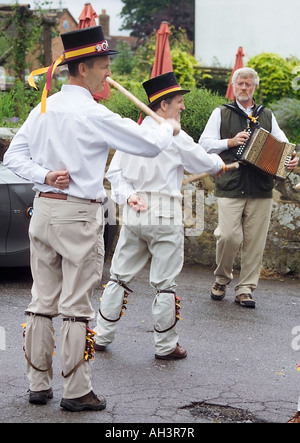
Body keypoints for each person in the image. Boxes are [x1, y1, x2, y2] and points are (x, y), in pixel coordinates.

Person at [3, 26, 180, 412]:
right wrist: (167, 129)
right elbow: (149, 145)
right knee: (76, 306)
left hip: (44, 211)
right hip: (78, 216)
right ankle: (76, 391)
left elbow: (13, 158)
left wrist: (44, 176)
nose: (107, 76)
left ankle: (38, 385)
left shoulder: (43, 107)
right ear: (82, 69)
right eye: (102, 67)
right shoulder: (92, 112)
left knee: (41, 301)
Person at [93, 72, 225, 359]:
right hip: (164, 213)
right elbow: (205, 162)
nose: (183, 107)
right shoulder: (175, 135)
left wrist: (129, 196)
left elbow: (115, 174)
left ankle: (101, 336)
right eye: (179, 102)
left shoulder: (134, 133)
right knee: (165, 284)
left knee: (118, 277)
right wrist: (218, 164)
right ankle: (165, 347)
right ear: (163, 105)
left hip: (135, 212)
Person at [199, 67, 299, 309]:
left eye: (248, 84)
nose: (243, 88)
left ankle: (245, 289)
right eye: (240, 84)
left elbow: (284, 145)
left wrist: (293, 158)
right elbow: (204, 144)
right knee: (228, 236)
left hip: (261, 186)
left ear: (255, 87)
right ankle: (222, 279)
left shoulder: (266, 114)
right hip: (231, 184)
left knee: (255, 241)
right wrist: (230, 142)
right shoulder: (221, 113)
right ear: (234, 86)